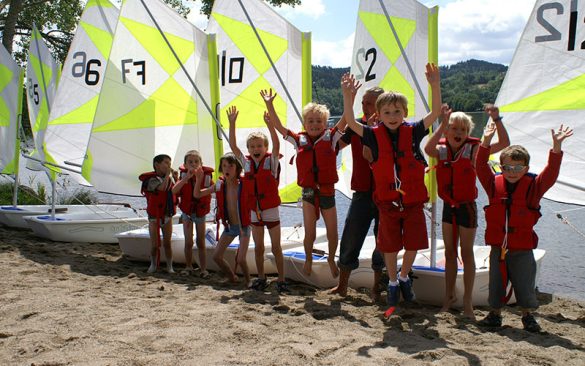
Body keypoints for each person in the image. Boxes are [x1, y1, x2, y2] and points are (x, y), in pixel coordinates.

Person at [341, 63, 442, 308]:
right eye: (387, 113)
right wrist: (347, 96)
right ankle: (394, 281)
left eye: (397, 112)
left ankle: (404, 276)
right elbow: (352, 124)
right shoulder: (372, 135)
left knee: (414, 244)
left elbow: (436, 112)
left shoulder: (415, 131)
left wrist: (435, 85)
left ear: (405, 112)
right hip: (387, 203)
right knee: (387, 246)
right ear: (379, 114)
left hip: (412, 202)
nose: (393, 117)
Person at [477, 122, 573, 332]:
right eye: (508, 168)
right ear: (501, 168)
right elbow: (480, 166)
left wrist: (556, 148)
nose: (512, 172)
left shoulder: (534, 188)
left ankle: (528, 316)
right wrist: (485, 142)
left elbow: (551, 173)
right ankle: (495, 315)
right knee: (496, 282)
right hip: (498, 249)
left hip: (522, 248)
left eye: (518, 168)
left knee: (525, 284)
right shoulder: (493, 184)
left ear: (526, 169)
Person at [424, 104, 510, 318]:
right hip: (447, 207)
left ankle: (468, 302)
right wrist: (442, 123)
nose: (459, 133)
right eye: (454, 128)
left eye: (463, 130)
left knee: (466, 253)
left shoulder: (473, 150)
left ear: (468, 133)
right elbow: (428, 149)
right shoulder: (441, 149)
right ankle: (448, 297)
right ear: (446, 131)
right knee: (450, 253)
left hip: (467, 207)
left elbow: (505, 144)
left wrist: (497, 119)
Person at [270, 99, 343, 278]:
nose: (315, 124)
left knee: (333, 233)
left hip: (327, 192)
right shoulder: (298, 140)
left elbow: (346, 120)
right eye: (310, 120)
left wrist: (349, 95)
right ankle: (309, 258)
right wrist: (270, 105)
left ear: (325, 124)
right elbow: (279, 127)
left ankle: (331, 259)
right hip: (309, 193)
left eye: (319, 121)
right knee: (309, 232)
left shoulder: (332, 137)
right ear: (304, 123)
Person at [226, 97, 289, 294]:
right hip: (255, 212)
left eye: (259, 146)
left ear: (265, 148)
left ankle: (281, 279)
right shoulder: (245, 164)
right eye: (252, 147)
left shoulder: (271, 162)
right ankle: (261, 278)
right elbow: (234, 147)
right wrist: (232, 123)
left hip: (270, 211)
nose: (256, 150)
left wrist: (270, 126)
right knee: (259, 247)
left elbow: (277, 145)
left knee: (276, 247)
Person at [330, 86, 386, 301]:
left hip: (385, 194)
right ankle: (342, 287)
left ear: (381, 105)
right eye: (363, 103)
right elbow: (334, 147)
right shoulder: (357, 126)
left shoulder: (390, 128)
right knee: (351, 239)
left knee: (383, 243)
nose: (365, 107)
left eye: (369, 103)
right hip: (362, 192)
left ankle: (376, 290)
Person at [194, 153, 253, 287]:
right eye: (224, 166)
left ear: (238, 168)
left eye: (231, 166)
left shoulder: (244, 184)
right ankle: (232, 277)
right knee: (216, 256)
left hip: (243, 226)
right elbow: (197, 194)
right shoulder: (220, 185)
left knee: (241, 258)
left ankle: (249, 280)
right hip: (230, 227)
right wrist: (199, 179)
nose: (227, 169)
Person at [172, 150, 214, 278]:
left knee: (201, 242)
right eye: (190, 162)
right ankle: (188, 266)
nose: (193, 164)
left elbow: (213, 190)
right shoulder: (183, 178)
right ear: (185, 165)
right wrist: (186, 178)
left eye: (196, 162)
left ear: (201, 164)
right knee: (188, 242)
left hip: (200, 214)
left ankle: (203, 269)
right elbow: (174, 190)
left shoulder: (206, 178)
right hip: (187, 214)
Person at [138, 154, 177, 274]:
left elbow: (175, 191)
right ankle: (153, 265)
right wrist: (168, 177)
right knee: (155, 245)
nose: (168, 166)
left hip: (166, 215)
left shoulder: (170, 178)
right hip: (154, 216)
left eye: (170, 164)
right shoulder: (151, 180)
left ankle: (169, 266)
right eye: (166, 163)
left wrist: (176, 179)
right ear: (157, 165)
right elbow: (162, 188)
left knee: (167, 243)